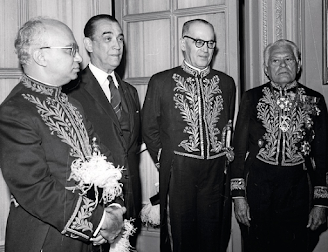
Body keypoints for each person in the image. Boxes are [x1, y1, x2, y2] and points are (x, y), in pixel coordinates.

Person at [0, 17, 126, 252]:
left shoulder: (73, 104)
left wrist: (114, 208)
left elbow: (102, 158)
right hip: (47, 239)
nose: (78, 58)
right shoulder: (14, 111)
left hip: (89, 238)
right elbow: (35, 188)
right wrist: (98, 222)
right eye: (71, 50)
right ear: (41, 56)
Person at [142, 19, 236, 252]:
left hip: (215, 173)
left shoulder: (226, 83)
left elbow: (228, 127)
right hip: (179, 172)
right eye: (198, 42)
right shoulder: (161, 81)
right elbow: (149, 128)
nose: (205, 49)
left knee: (213, 237)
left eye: (210, 43)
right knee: (180, 240)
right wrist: (166, 161)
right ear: (183, 43)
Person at [231, 39, 328, 252]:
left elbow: (323, 155)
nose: (283, 65)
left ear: (298, 65)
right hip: (258, 191)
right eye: (275, 60)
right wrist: (238, 197)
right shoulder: (251, 97)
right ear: (266, 68)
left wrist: (321, 203)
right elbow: (237, 151)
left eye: (288, 60)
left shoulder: (315, 100)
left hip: (299, 192)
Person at [64, 14, 142, 250]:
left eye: (119, 39)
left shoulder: (129, 92)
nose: (117, 46)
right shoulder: (71, 91)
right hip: (94, 207)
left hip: (129, 202)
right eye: (107, 38)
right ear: (88, 44)